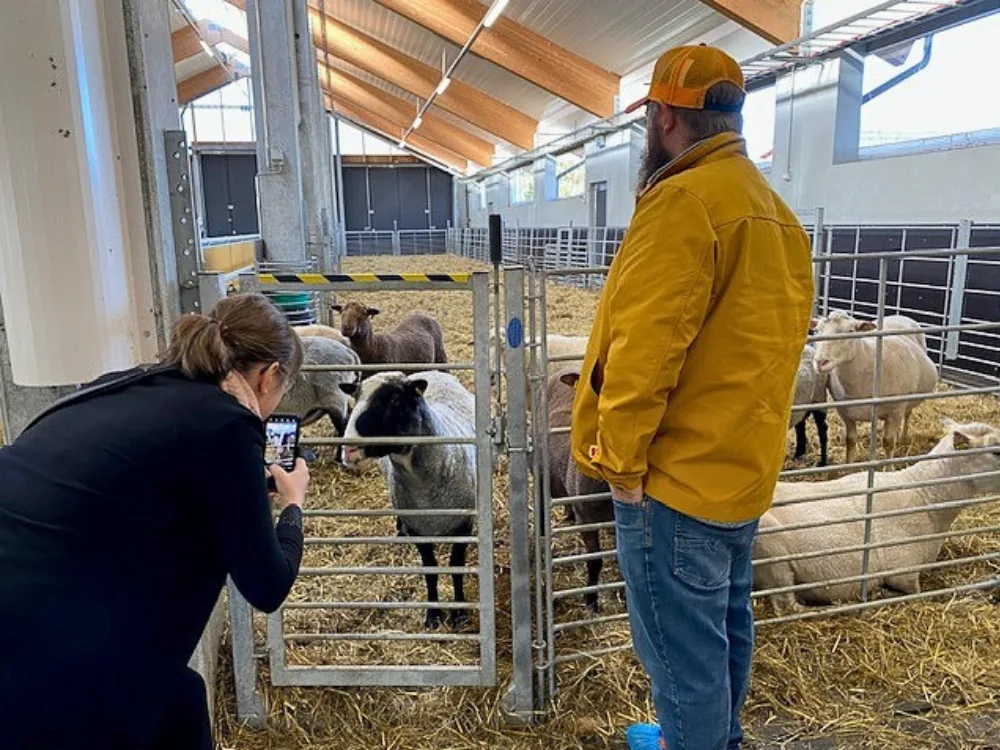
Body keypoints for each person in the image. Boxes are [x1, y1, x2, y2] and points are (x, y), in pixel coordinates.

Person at [570, 45, 814, 750]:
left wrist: (619, 468)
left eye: (650, 117)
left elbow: (644, 358)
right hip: (740, 476)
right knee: (724, 632)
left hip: (672, 488)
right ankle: (715, 737)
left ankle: (697, 738)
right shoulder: (775, 213)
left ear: (664, 118)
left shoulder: (682, 204)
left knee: (681, 662)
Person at [0, 293, 311, 750]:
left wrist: (242, 493)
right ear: (269, 376)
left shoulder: (126, 385)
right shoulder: (227, 425)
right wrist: (293, 506)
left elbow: (142, 488)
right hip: (39, 644)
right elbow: (268, 586)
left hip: (29, 591)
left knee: (180, 700)